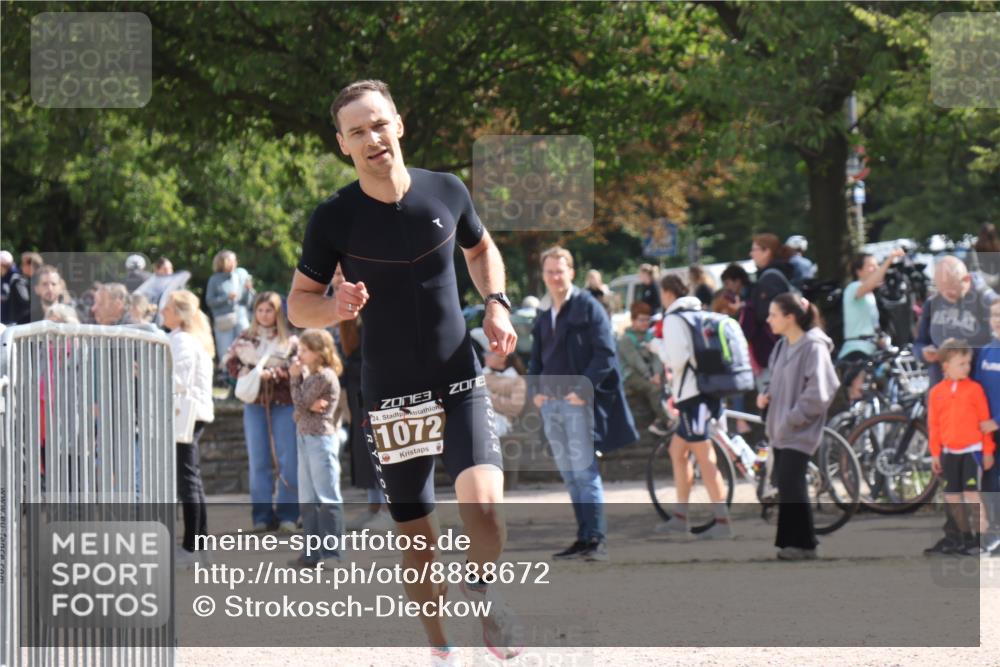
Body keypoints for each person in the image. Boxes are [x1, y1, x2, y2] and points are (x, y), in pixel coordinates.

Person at [286, 79, 522, 664]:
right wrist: (333, 307)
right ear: (343, 144)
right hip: (393, 394)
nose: (372, 138)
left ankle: (482, 592)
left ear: (399, 125)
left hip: (458, 375)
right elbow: (298, 305)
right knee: (418, 544)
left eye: (379, 124)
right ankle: (440, 647)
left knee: (486, 511)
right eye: (357, 131)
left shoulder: (446, 189)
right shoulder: (334, 218)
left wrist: (495, 301)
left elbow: (482, 249)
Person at [529, 246, 639, 562]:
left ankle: (596, 540)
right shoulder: (545, 311)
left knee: (584, 471)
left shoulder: (588, 306)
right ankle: (583, 538)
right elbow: (536, 357)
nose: (554, 276)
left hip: (576, 403)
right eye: (549, 271)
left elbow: (606, 353)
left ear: (571, 272)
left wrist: (581, 390)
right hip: (550, 403)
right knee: (569, 474)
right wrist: (535, 389)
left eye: (559, 271)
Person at [757, 293, 840, 560]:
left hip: (798, 429)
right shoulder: (783, 346)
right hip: (781, 428)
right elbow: (776, 380)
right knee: (788, 484)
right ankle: (794, 543)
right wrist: (766, 396)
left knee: (793, 483)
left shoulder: (813, 346)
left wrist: (793, 417)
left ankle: (805, 544)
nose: (768, 320)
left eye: (774, 315)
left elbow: (821, 390)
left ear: (790, 318)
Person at [650, 275, 733, 539]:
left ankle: (722, 522)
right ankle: (680, 517)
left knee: (705, 457)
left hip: (691, 398)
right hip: (702, 394)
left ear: (667, 293)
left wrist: (656, 346)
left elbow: (677, 360)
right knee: (678, 451)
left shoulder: (674, 319)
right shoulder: (698, 313)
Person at [224, 291, 300, 533]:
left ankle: (289, 514)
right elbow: (230, 363)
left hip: (284, 404)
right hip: (255, 405)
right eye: (260, 310)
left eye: (269, 310)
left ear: (277, 313)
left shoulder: (291, 341)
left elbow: (299, 370)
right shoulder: (245, 338)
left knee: (288, 460)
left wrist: (275, 374)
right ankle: (262, 516)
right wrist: (246, 373)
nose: (264, 315)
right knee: (258, 461)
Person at [161, 290, 215, 567]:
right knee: (191, 479)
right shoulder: (191, 338)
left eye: (167, 309)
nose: (162, 313)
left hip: (186, 413)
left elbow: (178, 379)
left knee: (188, 481)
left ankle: (192, 546)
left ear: (180, 313)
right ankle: (199, 544)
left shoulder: (181, 339)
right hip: (193, 412)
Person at [927, 339, 996, 556]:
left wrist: (987, 451)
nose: (967, 368)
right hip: (949, 453)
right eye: (961, 363)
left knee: (972, 494)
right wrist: (936, 453)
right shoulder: (936, 392)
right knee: (952, 495)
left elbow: (985, 423)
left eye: (968, 363)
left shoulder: (975, 390)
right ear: (946, 366)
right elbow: (934, 426)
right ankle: (960, 539)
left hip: (972, 452)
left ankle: (980, 539)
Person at [289, 329, 345, 567]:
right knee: (308, 498)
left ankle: (333, 554)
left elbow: (298, 405)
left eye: (305, 350)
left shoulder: (324, 376)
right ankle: (312, 553)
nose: (299, 354)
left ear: (319, 353)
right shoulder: (309, 375)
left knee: (326, 495)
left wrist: (294, 379)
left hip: (320, 439)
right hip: (304, 437)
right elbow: (303, 406)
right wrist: (305, 405)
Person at [914, 255, 998, 390]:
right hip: (941, 390)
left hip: (976, 389)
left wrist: (958, 353)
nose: (947, 295)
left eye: (952, 289)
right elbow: (919, 342)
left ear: (966, 280)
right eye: (942, 290)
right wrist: (923, 353)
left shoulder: (985, 300)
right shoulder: (932, 304)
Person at [839, 249, 906, 400]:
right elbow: (871, 283)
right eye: (871, 266)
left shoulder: (870, 295)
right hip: (856, 351)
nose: (876, 270)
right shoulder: (854, 288)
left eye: (877, 265)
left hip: (871, 350)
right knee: (858, 393)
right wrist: (889, 260)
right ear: (858, 271)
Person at [742, 233, 796, 383]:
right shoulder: (777, 275)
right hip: (780, 349)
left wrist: (747, 309)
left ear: (767, 252)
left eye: (755, 249)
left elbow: (764, 314)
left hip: (772, 350)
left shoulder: (769, 279)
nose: (751, 254)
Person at [970, 301, 1000, 556]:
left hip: (996, 424)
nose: (998, 319)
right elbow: (977, 391)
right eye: (994, 315)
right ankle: (993, 532)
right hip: (988, 432)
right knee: (990, 479)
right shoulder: (987, 351)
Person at [617, 301, 671, 436]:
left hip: (651, 375)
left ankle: (660, 419)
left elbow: (657, 357)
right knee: (654, 388)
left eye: (647, 320)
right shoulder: (626, 339)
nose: (645, 323)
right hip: (631, 375)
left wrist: (657, 374)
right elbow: (635, 361)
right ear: (633, 320)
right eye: (641, 320)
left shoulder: (650, 336)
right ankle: (668, 421)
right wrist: (650, 376)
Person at [206, 250, 255, 372]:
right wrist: (226, 298)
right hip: (224, 319)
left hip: (241, 317)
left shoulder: (239, 276)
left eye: (234, 260)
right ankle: (227, 377)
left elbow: (247, 302)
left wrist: (249, 290)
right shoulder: (214, 279)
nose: (233, 263)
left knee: (247, 345)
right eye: (229, 261)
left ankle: (246, 373)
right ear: (221, 263)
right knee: (226, 349)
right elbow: (209, 301)